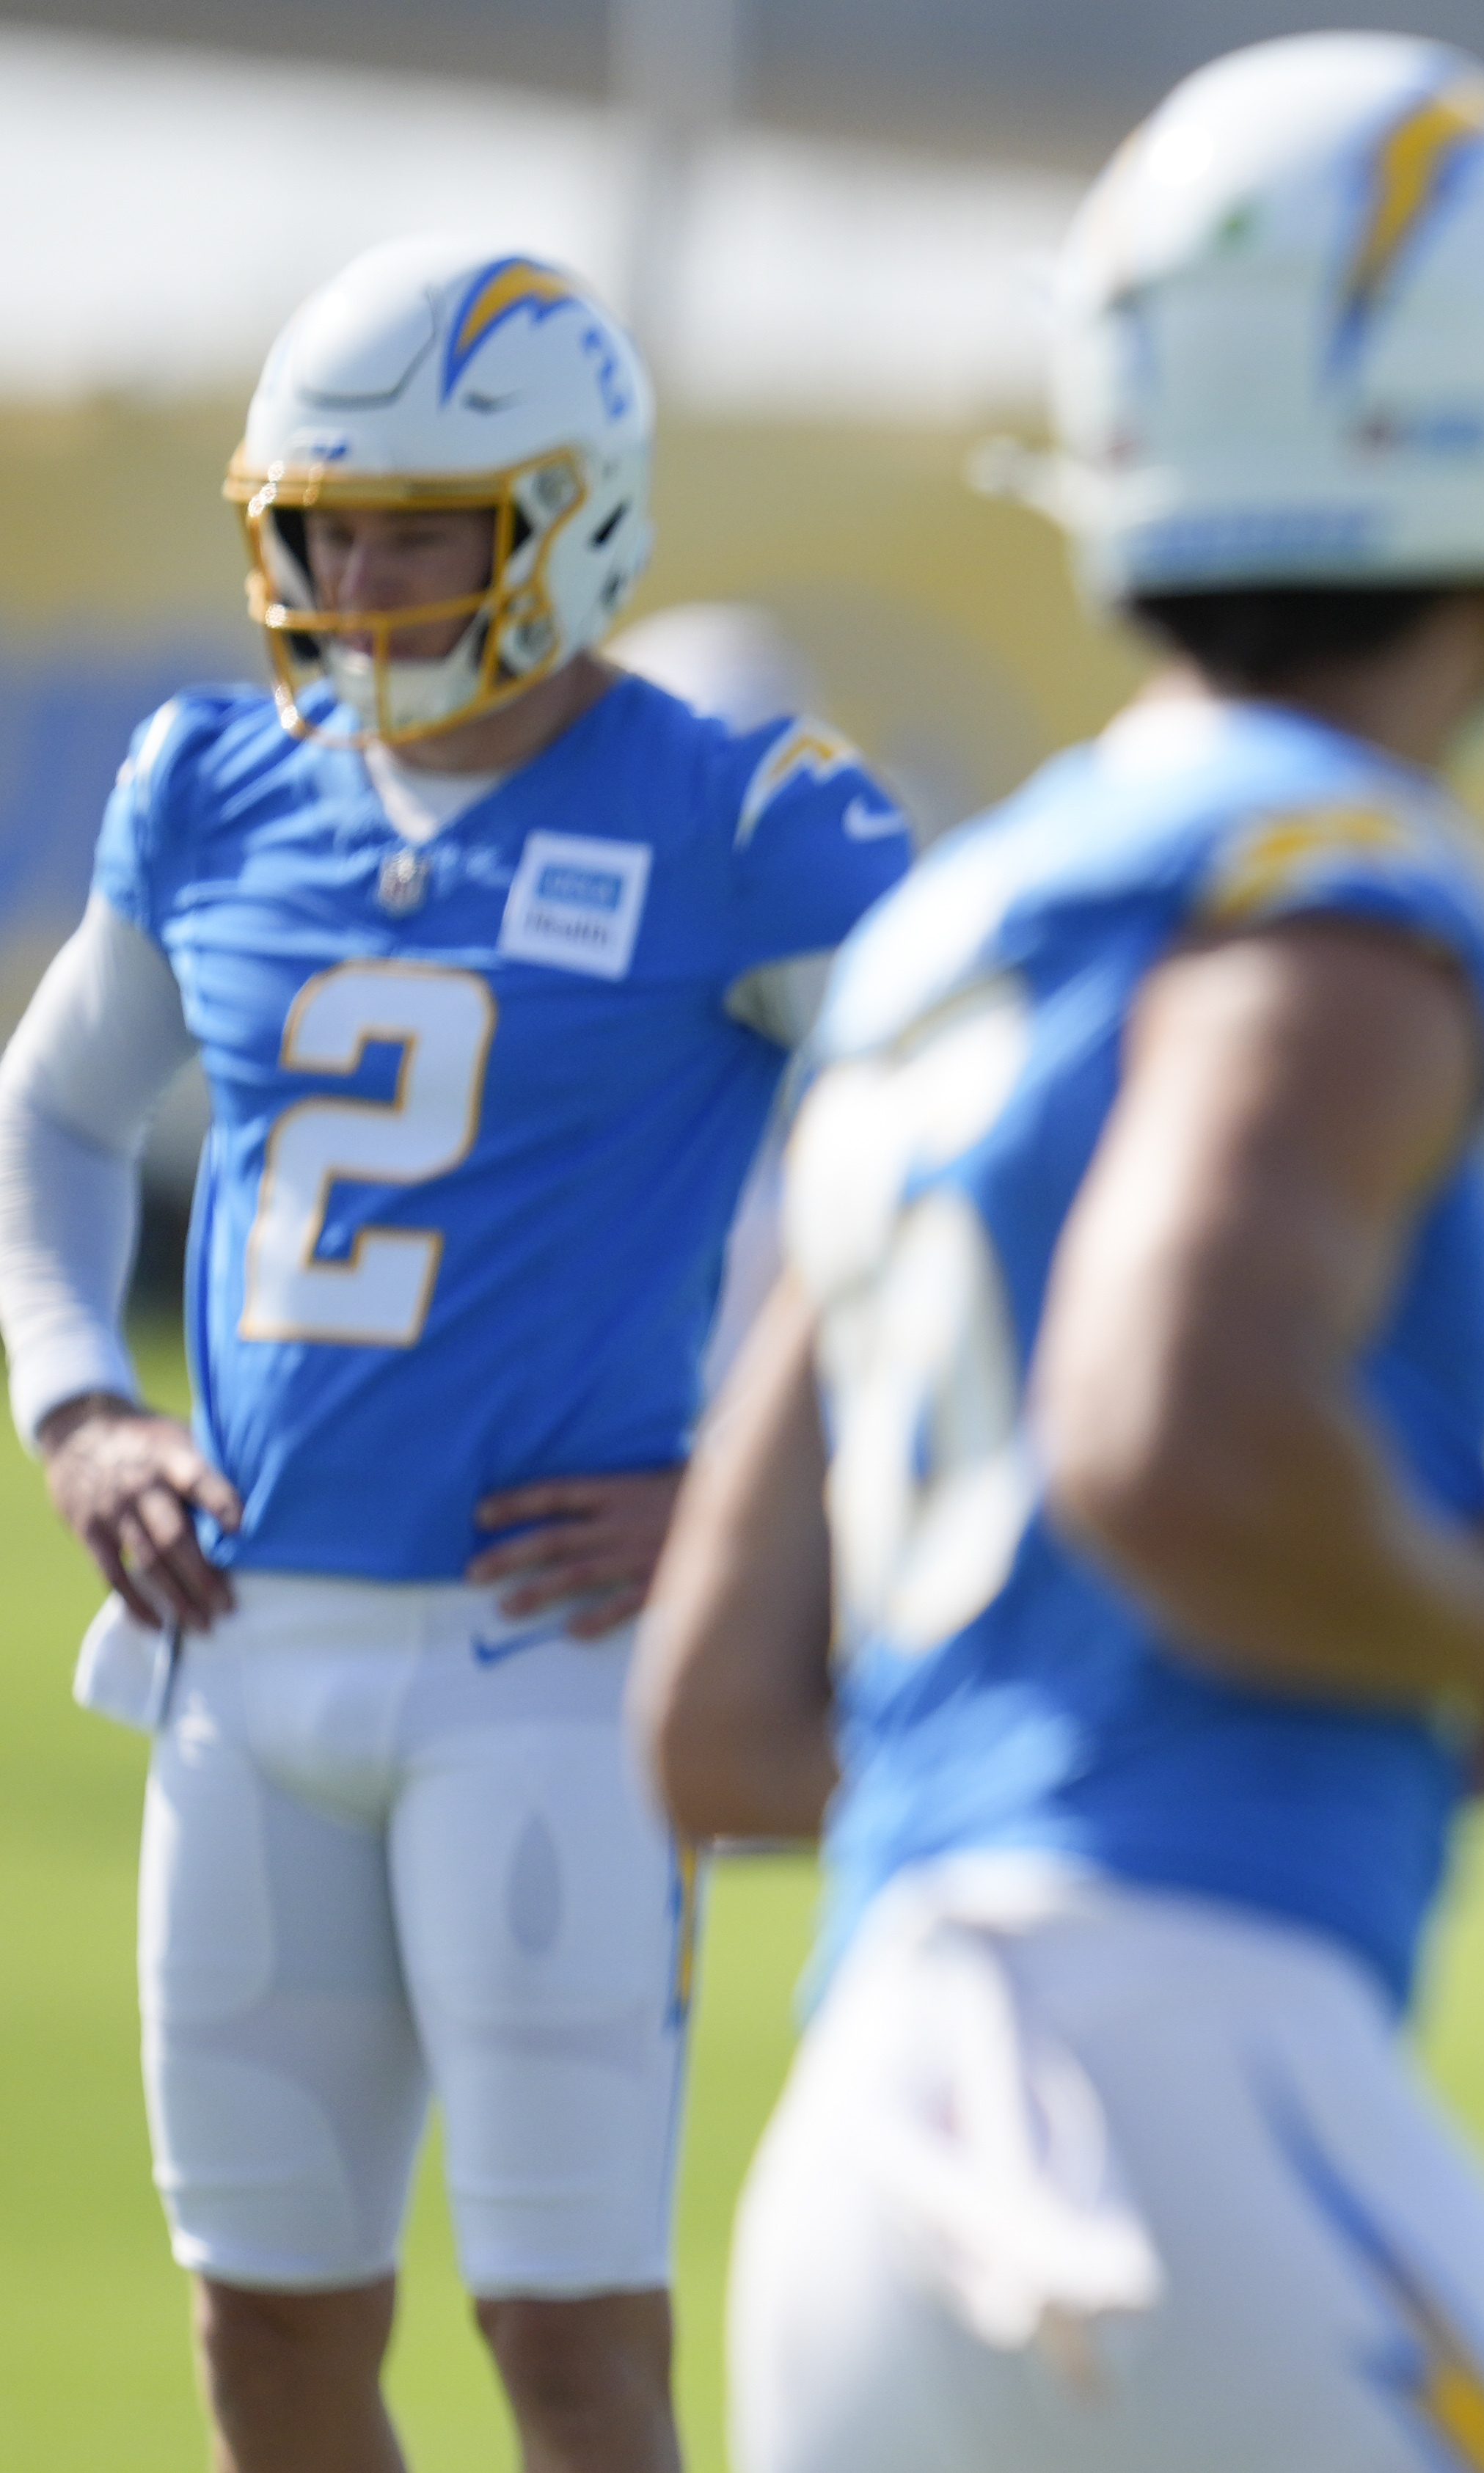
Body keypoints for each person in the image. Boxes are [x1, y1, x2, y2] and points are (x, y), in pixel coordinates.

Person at [629, 37, 1484, 2473]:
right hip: (1157, 2118)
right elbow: (1158, 1439)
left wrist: (1369, 1667)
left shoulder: (943, 941)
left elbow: (712, 1716)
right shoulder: (1338, 884)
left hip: (860, 2156)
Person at [0, 238, 910, 2472]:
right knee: (266, 2341)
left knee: (575, 2346)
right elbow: (48, 1105)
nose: (360, 573)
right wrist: (78, 1401)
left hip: (553, 1664)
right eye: (324, 521)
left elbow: (1000, 1142)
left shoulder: (739, 811)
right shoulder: (211, 782)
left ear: (571, 513)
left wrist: (757, 1499)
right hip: (242, 1644)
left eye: (424, 523)